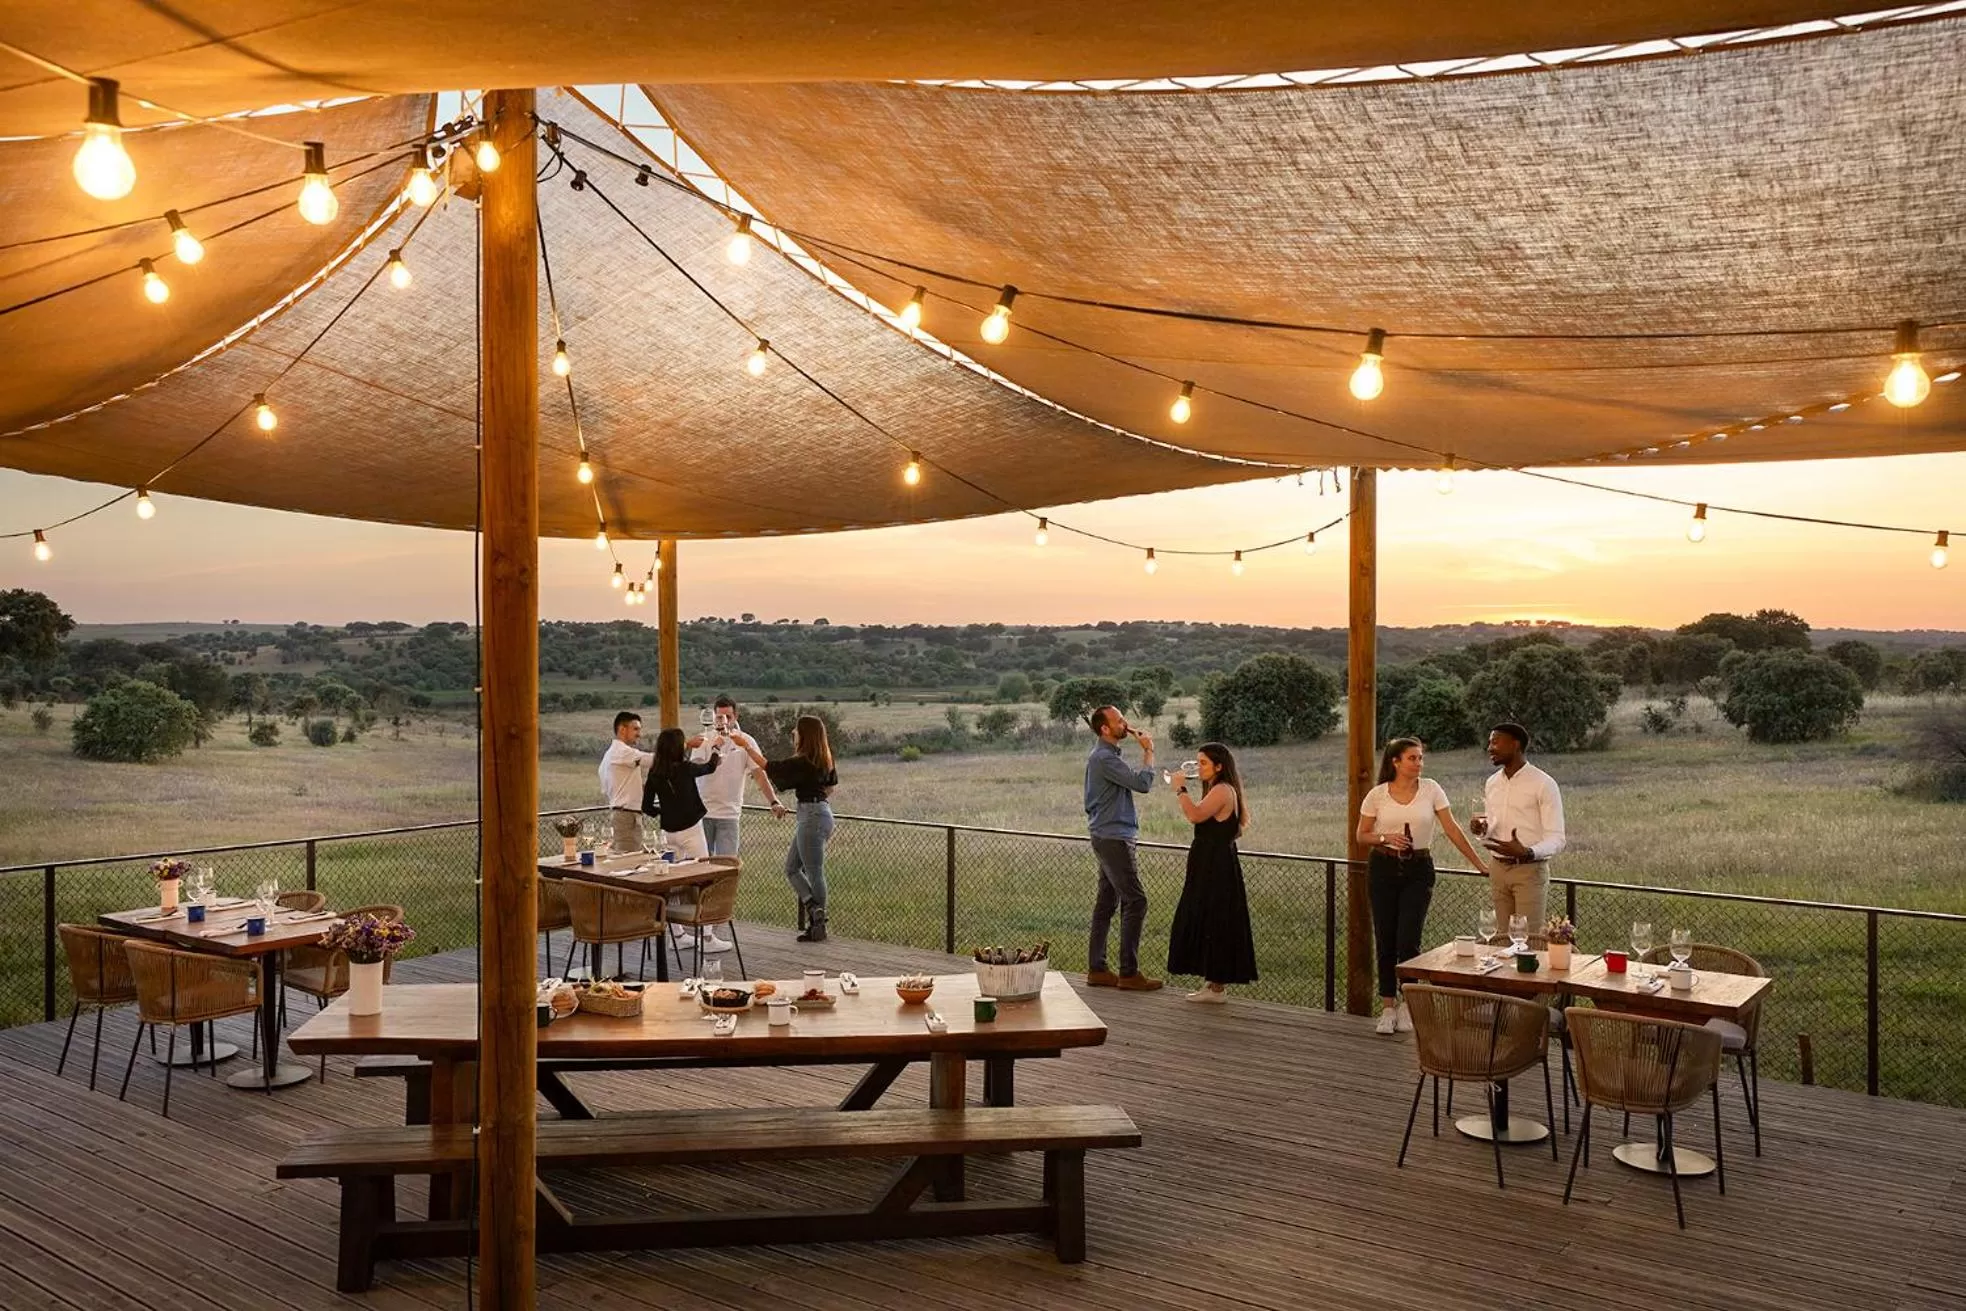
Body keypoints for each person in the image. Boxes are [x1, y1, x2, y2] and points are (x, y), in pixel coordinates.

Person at [1358, 736, 1494, 1034]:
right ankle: (1387, 1008)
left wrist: (1480, 865)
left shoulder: (1431, 789)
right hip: (1383, 867)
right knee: (1385, 939)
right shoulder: (1378, 795)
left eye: (1421, 758)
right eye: (1412, 758)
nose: (1419, 763)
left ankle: (1408, 1003)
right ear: (1396, 762)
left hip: (1418, 869)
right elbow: (1361, 835)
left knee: (1409, 939)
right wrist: (1385, 838)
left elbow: (1452, 829)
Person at [1166, 742, 1258, 1004]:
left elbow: (1194, 815)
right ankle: (1212, 981)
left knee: (1216, 918)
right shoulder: (1221, 789)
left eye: (1204, 763)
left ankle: (1216, 986)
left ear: (1219, 766)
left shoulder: (1222, 790)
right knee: (1209, 917)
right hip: (1212, 862)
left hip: (1215, 865)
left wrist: (1180, 789)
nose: (1199, 768)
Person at [1082, 705, 1162, 991]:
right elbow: (1142, 784)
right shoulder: (1104, 758)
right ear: (1105, 728)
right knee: (1136, 901)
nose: (1125, 724)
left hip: (1107, 834)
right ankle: (1128, 973)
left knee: (1106, 902)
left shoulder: (1105, 757)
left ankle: (1097, 969)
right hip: (1114, 837)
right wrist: (1149, 751)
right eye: (1119, 720)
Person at [640, 727, 734, 955]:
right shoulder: (684, 768)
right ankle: (708, 937)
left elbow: (645, 807)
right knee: (705, 880)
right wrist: (716, 748)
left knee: (671, 883)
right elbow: (709, 767)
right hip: (691, 830)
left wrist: (664, 811)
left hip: (668, 833)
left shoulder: (655, 773)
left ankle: (678, 935)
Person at [1479, 721, 1567, 934]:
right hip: (1498, 869)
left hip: (1529, 871)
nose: (1490, 747)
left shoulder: (1543, 784)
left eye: (1496, 742)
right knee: (1501, 938)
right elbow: (1494, 827)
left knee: (1528, 940)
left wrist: (1528, 852)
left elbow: (1557, 838)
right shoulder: (1492, 783)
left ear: (1516, 744)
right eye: (1490, 742)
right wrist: (1482, 828)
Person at [765, 715, 838, 943]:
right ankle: (814, 908)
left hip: (812, 816)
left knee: (814, 871)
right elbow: (830, 788)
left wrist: (746, 746)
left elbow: (771, 767)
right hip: (819, 812)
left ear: (805, 734)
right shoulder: (824, 758)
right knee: (792, 868)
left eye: (796, 730)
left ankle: (818, 924)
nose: (793, 733)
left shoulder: (804, 760)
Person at [692, 696, 786, 857]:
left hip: (729, 813)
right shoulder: (704, 739)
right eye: (720, 717)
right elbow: (692, 771)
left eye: (728, 717)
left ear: (736, 717)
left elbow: (759, 773)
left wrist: (773, 801)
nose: (724, 721)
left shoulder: (745, 741)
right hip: (702, 812)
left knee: (727, 865)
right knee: (700, 866)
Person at [598, 711, 653, 853]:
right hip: (627, 817)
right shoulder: (622, 752)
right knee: (630, 864)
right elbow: (653, 760)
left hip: (623, 814)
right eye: (635, 729)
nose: (639, 734)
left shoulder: (609, 755)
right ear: (622, 729)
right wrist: (681, 745)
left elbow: (608, 788)